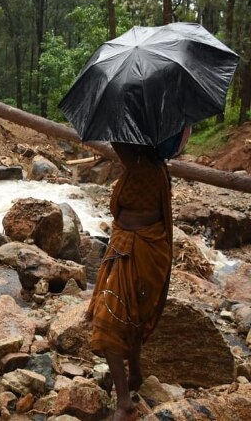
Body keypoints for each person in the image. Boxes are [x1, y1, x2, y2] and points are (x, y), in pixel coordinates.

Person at [85, 134, 187, 421]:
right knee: (132, 315)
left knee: (110, 321)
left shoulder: (141, 165)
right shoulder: (157, 165)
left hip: (136, 249)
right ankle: (137, 373)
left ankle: (123, 402)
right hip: (136, 248)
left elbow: (117, 141)